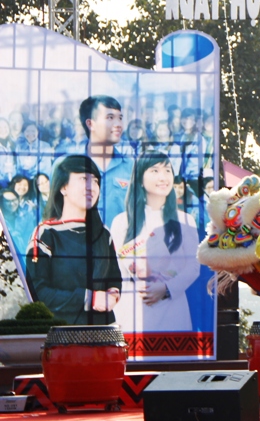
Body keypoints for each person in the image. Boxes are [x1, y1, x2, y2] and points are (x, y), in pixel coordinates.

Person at [109, 153, 201, 333]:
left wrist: (166, 288)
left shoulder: (185, 220)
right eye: (155, 171)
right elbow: (117, 270)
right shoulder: (122, 221)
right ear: (140, 179)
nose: (163, 177)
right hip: (132, 311)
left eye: (167, 170)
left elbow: (193, 267)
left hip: (173, 312)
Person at [24, 155, 122, 325]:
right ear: (63, 187)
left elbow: (114, 278)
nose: (92, 187)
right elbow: (37, 291)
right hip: (63, 331)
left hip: (104, 330)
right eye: (84, 179)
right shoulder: (46, 233)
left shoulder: (103, 233)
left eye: (96, 181)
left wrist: (112, 294)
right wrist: (89, 298)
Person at [76, 95, 134, 226]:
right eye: (110, 117)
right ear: (91, 124)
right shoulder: (68, 166)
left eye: (120, 118)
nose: (118, 124)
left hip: (119, 239)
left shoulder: (131, 168)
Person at [1, 175, 38, 260]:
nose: (11, 203)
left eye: (14, 200)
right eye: (7, 201)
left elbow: (29, 235)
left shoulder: (27, 212)